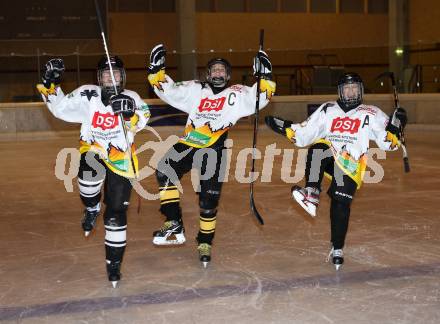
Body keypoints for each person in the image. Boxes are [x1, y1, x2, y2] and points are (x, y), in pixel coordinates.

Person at [146, 44, 276, 267]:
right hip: (188, 143)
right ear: (208, 74)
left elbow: (261, 97)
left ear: (228, 74)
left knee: (208, 202)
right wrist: (155, 71)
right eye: (214, 70)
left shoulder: (237, 93)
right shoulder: (196, 89)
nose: (217, 73)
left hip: (214, 151)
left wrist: (265, 75)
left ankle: (204, 242)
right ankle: (173, 221)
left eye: (221, 70)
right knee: (164, 169)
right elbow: (168, 89)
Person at [265, 72, 407, 270]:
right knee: (319, 148)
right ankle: (311, 193)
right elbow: (306, 134)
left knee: (340, 205)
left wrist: (397, 125)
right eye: (347, 88)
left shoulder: (371, 112)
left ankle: (337, 247)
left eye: (354, 88)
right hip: (331, 157)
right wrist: (285, 128)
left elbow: (388, 144)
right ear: (340, 91)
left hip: (351, 165)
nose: (350, 92)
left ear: (361, 90)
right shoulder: (328, 109)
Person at [36, 55, 150, 287]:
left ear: (123, 76)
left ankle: (114, 264)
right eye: (106, 73)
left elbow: (143, 119)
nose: (110, 76)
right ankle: (91, 206)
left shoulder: (132, 97)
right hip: (94, 149)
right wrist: (50, 84)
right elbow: (60, 109)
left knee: (116, 215)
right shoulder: (87, 94)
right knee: (88, 168)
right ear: (99, 78)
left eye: (115, 73)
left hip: (122, 159)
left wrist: (130, 114)